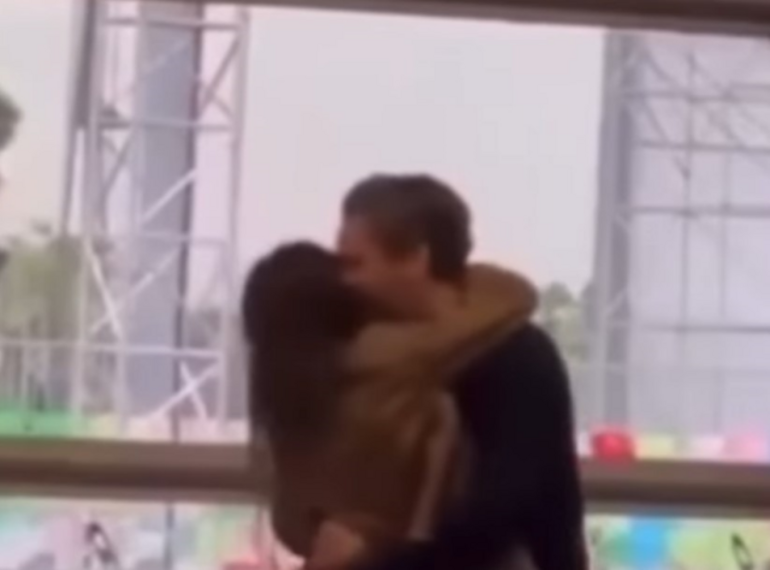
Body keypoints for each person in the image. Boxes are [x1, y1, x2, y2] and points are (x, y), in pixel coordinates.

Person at [336, 174, 587, 570]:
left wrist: (370, 564)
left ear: (416, 259)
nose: (343, 282)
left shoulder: (516, 356)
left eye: (355, 264)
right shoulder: (382, 358)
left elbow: (501, 512)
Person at [242, 242, 538, 570]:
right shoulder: (395, 353)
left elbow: (292, 530)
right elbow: (512, 295)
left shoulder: (284, 405)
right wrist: (408, 271)